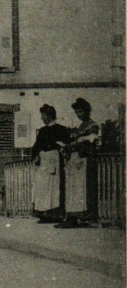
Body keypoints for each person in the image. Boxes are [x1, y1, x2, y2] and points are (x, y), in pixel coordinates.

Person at [57, 98, 100, 229]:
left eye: (80, 111)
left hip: (84, 160)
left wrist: (81, 139)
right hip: (75, 159)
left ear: (87, 111)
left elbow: (93, 138)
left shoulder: (92, 125)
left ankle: (81, 217)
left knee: (81, 189)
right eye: (76, 112)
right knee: (73, 189)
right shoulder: (81, 126)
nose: (79, 114)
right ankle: (72, 217)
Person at [30, 105, 70, 223]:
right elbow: (36, 146)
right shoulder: (42, 130)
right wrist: (35, 155)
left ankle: (54, 215)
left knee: (53, 188)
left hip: (54, 161)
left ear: (49, 115)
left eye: (43, 115)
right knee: (42, 188)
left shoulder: (61, 129)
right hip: (43, 162)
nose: (42, 118)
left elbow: (65, 144)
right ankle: (44, 214)